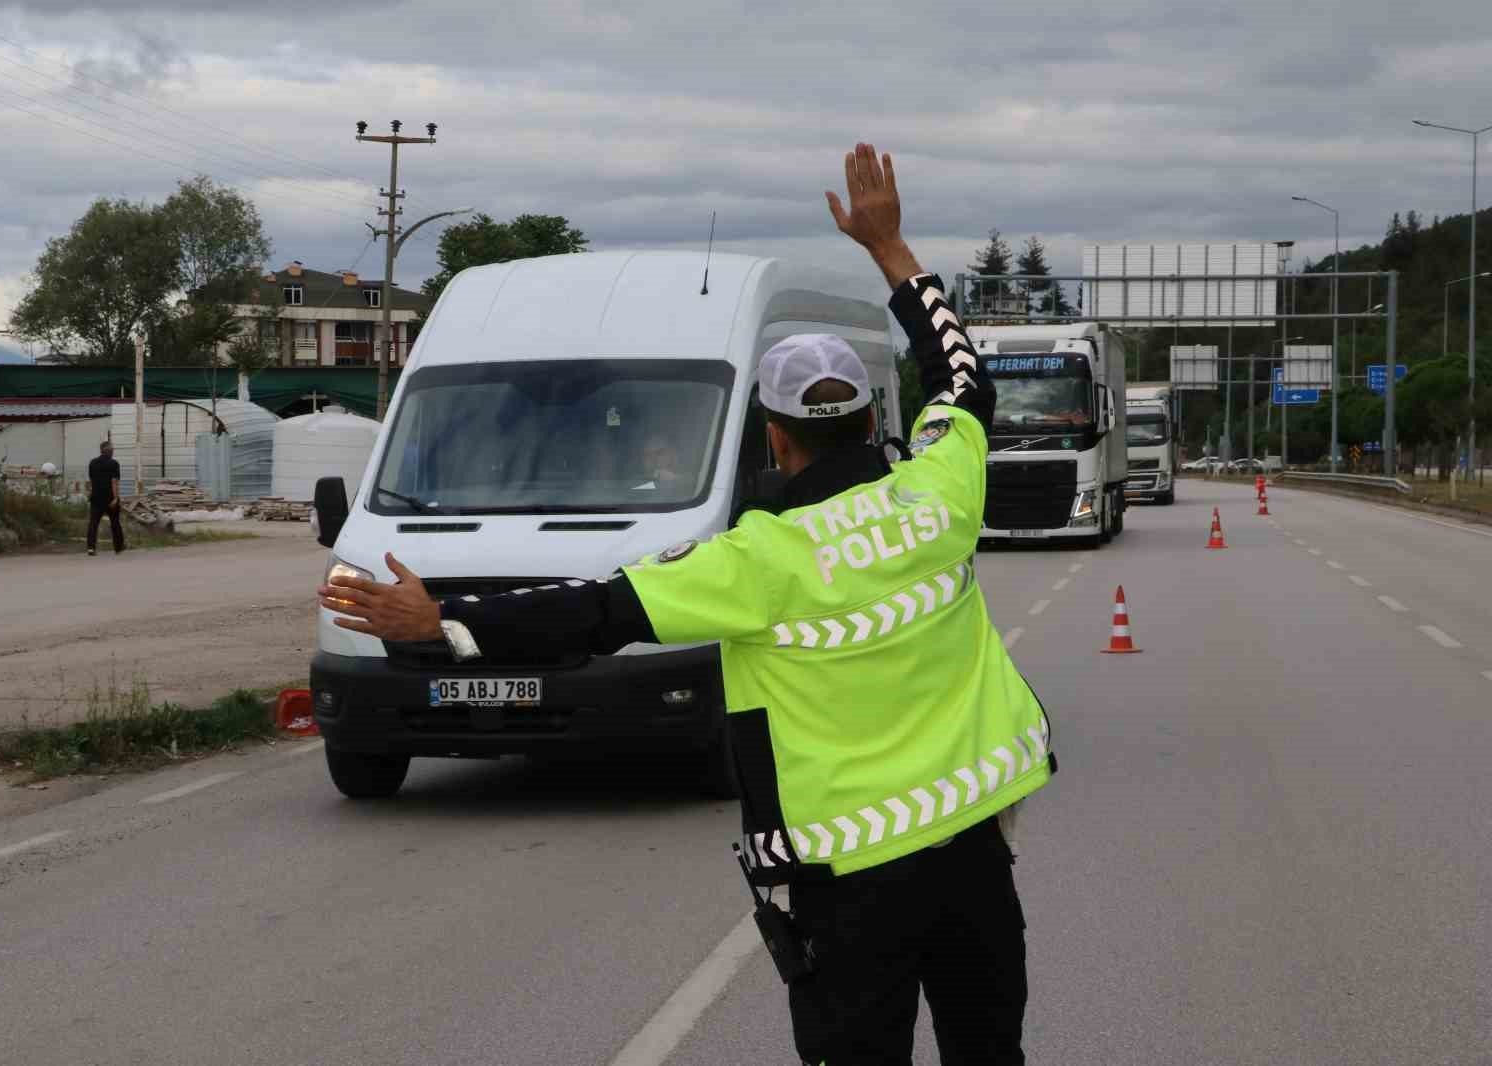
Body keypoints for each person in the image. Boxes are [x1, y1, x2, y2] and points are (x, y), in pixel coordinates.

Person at [319, 143, 1054, 1065]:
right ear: (873, 421)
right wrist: (891, 249)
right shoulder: (942, 497)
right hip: (974, 858)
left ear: (775, 440)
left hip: (846, 881)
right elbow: (960, 375)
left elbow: (595, 612)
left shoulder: (753, 560)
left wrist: (447, 624)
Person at [86, 439, 125, 556]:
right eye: (112, 449)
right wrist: (116, 498)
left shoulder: (92, 463)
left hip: (96, 497)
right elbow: (114, 482)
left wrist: (90, 493)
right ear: (108, 451)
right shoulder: (114, 464)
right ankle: (118, 547)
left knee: (93, 523)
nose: (113, 451)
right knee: (115, 522)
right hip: (109, 498)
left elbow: (91, 481)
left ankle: (91, 548)